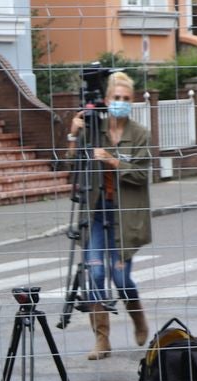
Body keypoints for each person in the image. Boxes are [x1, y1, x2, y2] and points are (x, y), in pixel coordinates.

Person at [66, 71, 152, 360]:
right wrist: (73, 134)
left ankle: (138, 318)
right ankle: (101, 339)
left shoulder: (139, 134)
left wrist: (112, 161)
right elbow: (71, 167)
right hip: (96, 212)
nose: (121, 102)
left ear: (132, 101)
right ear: (106, 99)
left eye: (126, 98)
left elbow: (141, 174)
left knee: (120, 277)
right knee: (95, 274)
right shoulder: (94, 131)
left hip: (124, 216)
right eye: (116, 97)